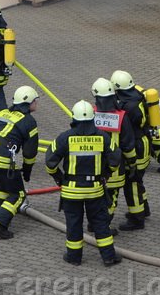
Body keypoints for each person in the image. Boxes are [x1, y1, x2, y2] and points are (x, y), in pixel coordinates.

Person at [45, 100, 123, 267]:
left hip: (71, 191)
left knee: (74, 224)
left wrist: (59, 178)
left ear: (74, 117)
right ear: (93, 118)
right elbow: (116, 159)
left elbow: (50, 162)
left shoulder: (65, 137)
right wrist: (107, 173)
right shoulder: (103, 137)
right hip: (95, 190)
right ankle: (109, 257)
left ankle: (74, 257)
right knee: (100, 223)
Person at [0, 85, 40, 239]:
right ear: (28, 102)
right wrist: (27, 171)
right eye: (35, 101)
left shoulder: (4, 113)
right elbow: (30, 152)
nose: (37, 104)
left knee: (4, 183)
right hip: (1, 159)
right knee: (18, 194)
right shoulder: (29, 121)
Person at [90, 77, 136, 235]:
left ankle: (93, 223)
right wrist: (132, 164)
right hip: (115, 168)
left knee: (95, 198)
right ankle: (103, 227)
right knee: (111, 199)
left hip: (93, 166)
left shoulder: (90, 115)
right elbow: (128, 144)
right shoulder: (121, 117)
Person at [110, 69, 152, 230]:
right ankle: (144, 209)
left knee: (131, 183)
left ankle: (137, 218)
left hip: (136, 146)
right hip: (143, 142)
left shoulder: (127, 106)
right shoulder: (137, 96)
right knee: (138, 180)